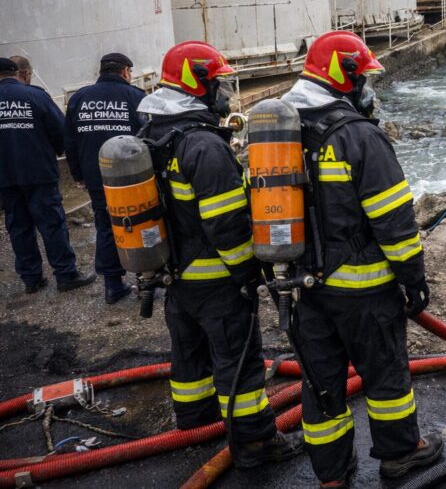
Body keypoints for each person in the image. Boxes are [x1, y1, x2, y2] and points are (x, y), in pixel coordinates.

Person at [281, 31, 442, 486]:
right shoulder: (359, 136)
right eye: (365, 77)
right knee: (386, 374)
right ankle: (401, 454)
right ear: (344, 75)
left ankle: (332, 477)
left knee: (321, 385)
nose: (369, 88)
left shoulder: (280, 129)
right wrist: (414, 279)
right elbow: (393, 219)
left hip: (301, 288)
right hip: (364, 290)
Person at [136, 42, 301, 466]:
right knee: (239, 361)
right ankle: (256, 444)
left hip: (176, 276)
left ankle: (194, 425)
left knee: (189, 356)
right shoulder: (203, 146)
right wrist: (249, 272)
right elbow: (225, 224)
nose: (225, 91)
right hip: (215, 280)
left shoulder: (153, 133)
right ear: (198, 83)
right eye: (218, 82)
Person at [0, 56, 95, 294]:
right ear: (19, 74)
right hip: (39, 172)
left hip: (5, 177)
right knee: (52, 224)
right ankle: (65, 274)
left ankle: (31, 279)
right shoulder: (35, 96)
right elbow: (60, 131)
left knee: (18, 226)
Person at [64, 53, 146, 304]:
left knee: (105, 227)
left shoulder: (79, 98)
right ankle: (145, 281)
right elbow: (147, 137)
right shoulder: (136, 97)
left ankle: (112, 285)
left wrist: (78, 174)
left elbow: (70, 140)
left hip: (97, 176)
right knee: (140, 222)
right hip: (133, 178)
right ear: (125, 72)